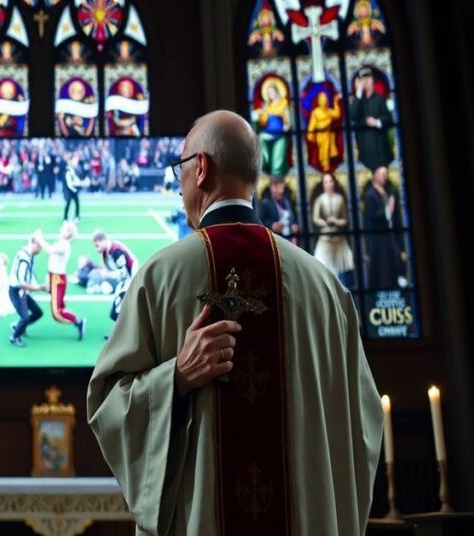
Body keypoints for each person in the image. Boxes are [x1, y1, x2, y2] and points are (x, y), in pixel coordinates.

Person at [87, 110, 382, 536]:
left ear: (201, 168)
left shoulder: (160, 276)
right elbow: (362, 426)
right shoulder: (325, 288)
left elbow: (109, 405)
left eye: (181, 171)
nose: (180, 185)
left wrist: (175, 380)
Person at [34, 222, 86, 340]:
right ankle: (23, 322)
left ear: (68, 233)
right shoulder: (61, 243)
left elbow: (51, 250)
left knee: (57, 313)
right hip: (53, 277)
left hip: (57, 279)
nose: (60, 229)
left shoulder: (64, 245)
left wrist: (40, 239)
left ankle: (78, 321)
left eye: (63, 228)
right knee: (58, 308)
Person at [362, 166, 404, 288]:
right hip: (378, 238)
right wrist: (387, 210)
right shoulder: (370, 195)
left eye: (386, 174)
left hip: (389, 236)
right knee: (382, 268)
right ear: (375, 175)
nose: (385, 176)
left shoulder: (386, 193)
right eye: (382, 174)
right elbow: (371, 217)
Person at [312, 173, 354, 287]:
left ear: (334, 183)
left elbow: (345, 219)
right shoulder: (319, 199)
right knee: (322, 270)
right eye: (325, 182)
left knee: (344, 273)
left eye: (330, 181)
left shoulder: (339, 199)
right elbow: (315, 219)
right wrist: (325, 222)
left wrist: (335, 221)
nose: (328, 184)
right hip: (325, 239)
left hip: (339, 239)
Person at [350, 67, 394, 171]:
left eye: (367, 79)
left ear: (372, 80)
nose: (365, 82)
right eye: (362, 80)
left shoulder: (380, 99)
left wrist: (377, 122)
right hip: (365, 149)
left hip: (380, 149)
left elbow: (389, 119)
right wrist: (358, 93)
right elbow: (352, 115)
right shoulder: (358, 100)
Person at [8, 236, 48, 347]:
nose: (40, 251)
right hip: (17, 291)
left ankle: (20, 326)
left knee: (38, 313)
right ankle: (15, 336)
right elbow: (22, 283)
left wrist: (39, 286)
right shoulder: (25, 258)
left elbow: (30, 276)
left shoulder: (28, 255)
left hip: (22, 291)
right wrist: (40, 288)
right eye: (40, 248)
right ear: (35, 245)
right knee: (25, 317)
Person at [91, 230, 138, 322]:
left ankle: (126, 333)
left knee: (117, 312)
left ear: (102, 240)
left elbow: (124, 273)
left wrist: (108, 275)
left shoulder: (116, 250)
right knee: (114, 313)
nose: (97, 249)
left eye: (97, 245)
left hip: (130, 281)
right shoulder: (106, 252)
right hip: (124, 281)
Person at [255, 78, 291, 177]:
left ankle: (277, 180)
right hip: (267, 135)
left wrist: (286, 125)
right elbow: (263, 122)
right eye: (268, 92)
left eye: (271, 91)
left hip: (280, 136)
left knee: (277, 164)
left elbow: (287, 120)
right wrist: (262, 114)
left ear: (276, 91)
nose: (270, 94)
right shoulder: (267, 106)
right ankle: (263, 163)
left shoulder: (283, 104)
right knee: (261, 140)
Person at [306, 91, 343, 172]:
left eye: (325, 100)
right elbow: (311, 125)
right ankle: (325, 166)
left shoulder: (328, 111)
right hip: (320, 134)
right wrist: (310, 134)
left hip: (329, 134)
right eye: (322, 100)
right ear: (319, 101)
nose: (324, 102)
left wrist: (335, 102)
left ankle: (327, 165)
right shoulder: (315, 112)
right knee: (323, 150)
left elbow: (337, 114)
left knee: (329, 149)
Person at [258, 175, 300, 239]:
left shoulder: (288, 202)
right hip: (276, 239)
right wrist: (271, 225)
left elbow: (294, 217)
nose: (278, 188)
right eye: (275, 185)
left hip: (290, 237)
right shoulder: (266, 203)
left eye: (280, 184)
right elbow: (260, 220)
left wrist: (294, 224)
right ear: (271, 187)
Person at [62, 154, 89, 222]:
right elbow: (69, 183)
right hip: (68, 189)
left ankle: (77, 216)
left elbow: (75, 179)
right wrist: (78, 185)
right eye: (74, 161)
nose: (76, 163)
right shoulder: (67, 170)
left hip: (73, 189)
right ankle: (65, 218)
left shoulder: (73, 170)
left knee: (77, 202)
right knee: (68, 202)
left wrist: (81, 182)